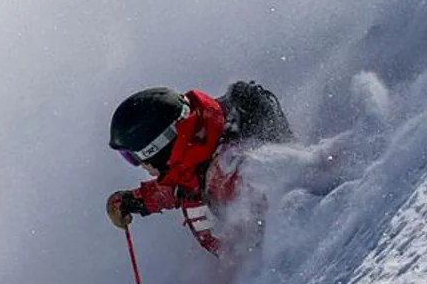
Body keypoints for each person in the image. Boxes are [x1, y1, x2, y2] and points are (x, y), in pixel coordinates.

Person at [105, 81, 292, 255]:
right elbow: (183, 184)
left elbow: (267, 231)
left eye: (133, 157)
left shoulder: (230, 172)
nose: (139, 165)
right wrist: (134, 201)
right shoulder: (198, 141)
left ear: (157, 148)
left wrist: (241, 263)